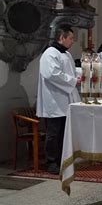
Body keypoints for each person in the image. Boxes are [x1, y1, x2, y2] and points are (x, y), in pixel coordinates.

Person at [37, 25, 81, 174]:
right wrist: (74, 81)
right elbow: (52, 74)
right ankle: (50, 162)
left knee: (64, 133)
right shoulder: (49, 53)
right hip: (54, 101)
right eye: (71, 38)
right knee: (53, 134)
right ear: (61, 37)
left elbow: (72, 71)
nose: (72, 41)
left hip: (65, 100)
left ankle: (62, 160)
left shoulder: (66, 54)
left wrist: (82, 74)